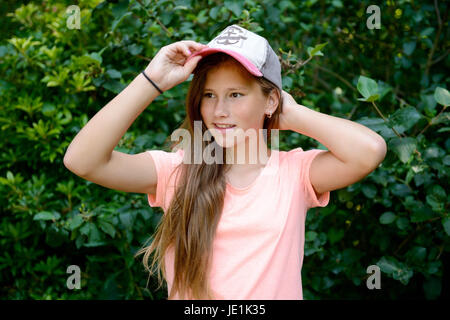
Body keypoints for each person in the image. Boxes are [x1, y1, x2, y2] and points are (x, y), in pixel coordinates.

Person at [63, 24, 387, 300]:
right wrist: (152, 80)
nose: (219, 110)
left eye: (235, 94)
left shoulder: (294, 173)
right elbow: (82, 160)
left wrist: (291, 113)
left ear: (270, 99)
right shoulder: (179, 171)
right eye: (208, 94)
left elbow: (369, 151)